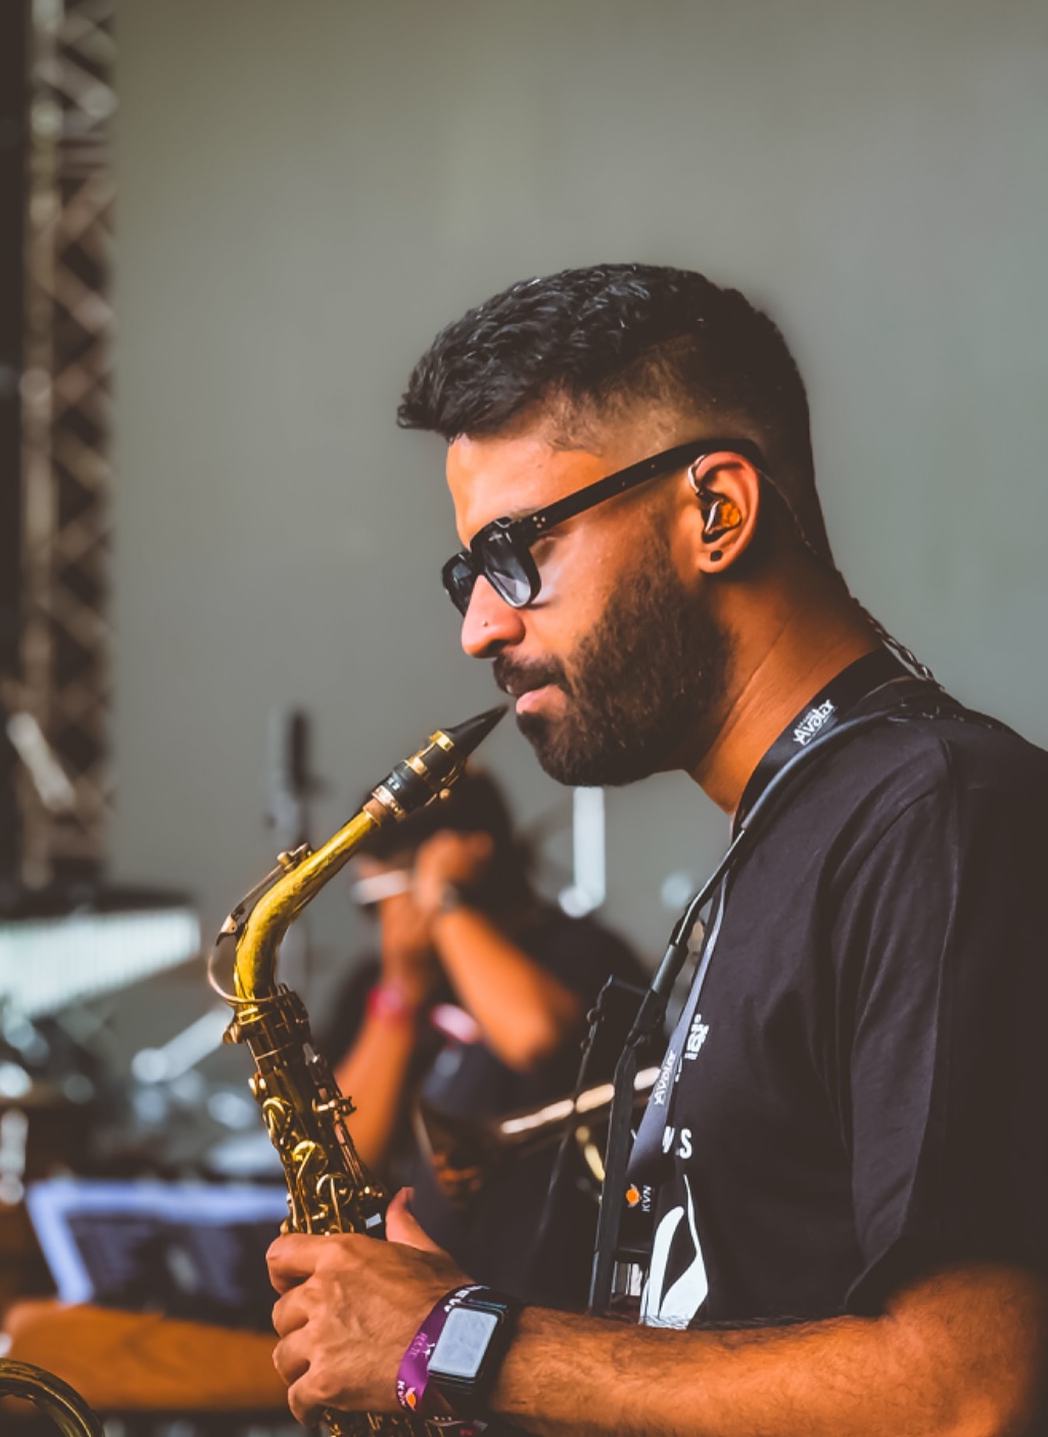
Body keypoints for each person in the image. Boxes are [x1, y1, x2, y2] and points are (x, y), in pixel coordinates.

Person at [267, 264, 1048, 1435]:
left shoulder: (934, 812)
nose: (479, 624)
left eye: (516, 550)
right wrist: (457, 1334)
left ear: (715, 511)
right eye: (465, 571)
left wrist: (459, 1342)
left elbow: (968, 1397)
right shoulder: (787, 834)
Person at [321, 769, 647, 1307]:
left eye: (390, 892)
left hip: (556, 1295)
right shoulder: (377, 986)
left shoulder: (580, 953)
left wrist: (447, 903)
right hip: (422, 1301)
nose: (381, 920)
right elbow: (349, 1155)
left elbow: (533, 1036)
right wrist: (401, 990)